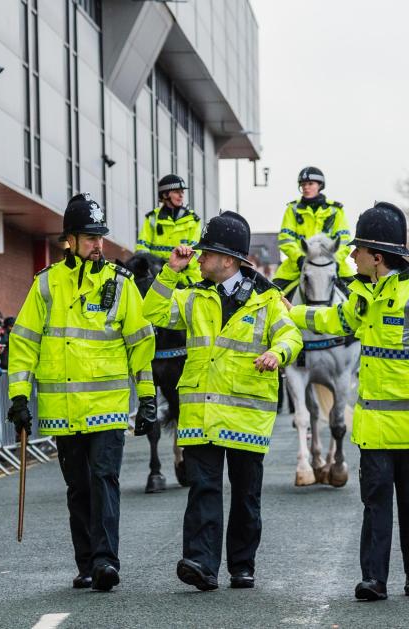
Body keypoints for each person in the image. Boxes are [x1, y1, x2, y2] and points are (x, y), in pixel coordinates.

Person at [287, 201, 409, 601]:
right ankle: (374, 580)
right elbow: (333, 321)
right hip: (376, 430)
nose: (351, 256)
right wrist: (294, 312)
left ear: (377, 257)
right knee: (375, 505)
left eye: (358, 250)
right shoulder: (362, 298)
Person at [142, 211, 302, 592]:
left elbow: (291, 337)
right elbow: (153, 311)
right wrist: (170, 271)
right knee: (203, 490)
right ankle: (201, 563)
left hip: (246, 416)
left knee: (246, 495)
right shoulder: (194, 295)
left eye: (205, 253)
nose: (198, 258)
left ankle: (242, 566)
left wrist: (276, 355)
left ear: (227, 260)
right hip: (200, 415)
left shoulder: (266, 301)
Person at [8, 192, 157, 592]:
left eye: (100, 237)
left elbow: (140, 344)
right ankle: (87, 563)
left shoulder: (121, 284)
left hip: (107, 407)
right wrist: (18, 397)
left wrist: (147, 397)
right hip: (62, 408)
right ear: (68, 240)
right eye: (89, 237)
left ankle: (107, 561)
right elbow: (24, 343)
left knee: (104, 477)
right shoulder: (45, 285)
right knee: (78, 487)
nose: (97, 244)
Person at [273, 166, 354, 294]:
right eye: (303, 184)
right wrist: (300, 258)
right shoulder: (292, 209)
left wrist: (335, 260)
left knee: (358, 297)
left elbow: (344, 241)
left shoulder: (336, 210)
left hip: (333, 265)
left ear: (320, 185)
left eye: (310, 184)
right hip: (297, 266)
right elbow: (285, 240)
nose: (306, 187)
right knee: (272, 296)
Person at [135, 174, 203, 285]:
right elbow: (142, 249)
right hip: (156, 276)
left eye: (182, 192)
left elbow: (196, 251)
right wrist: (153, 265)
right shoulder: (152, 218)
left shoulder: (193, 220)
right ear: (165, 194)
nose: (181, 195)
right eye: (177, 192)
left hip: (186, 279)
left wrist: (179, 266)